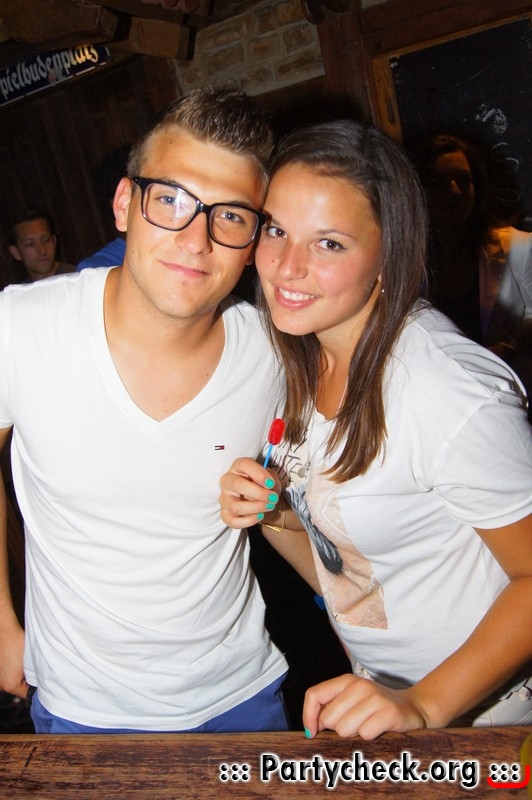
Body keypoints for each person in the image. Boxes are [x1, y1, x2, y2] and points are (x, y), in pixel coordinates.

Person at [219, 119, 532, 740]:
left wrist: (424, 704)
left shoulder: (445, 389)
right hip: (383, 699)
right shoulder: (299, 357)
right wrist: (273, 513)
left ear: (388, 254)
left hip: (488, 720)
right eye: (276, 229)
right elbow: (351, 569)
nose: (286, 266)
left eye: (329, 243)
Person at [0, 85, 289, 734]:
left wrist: (278, 501)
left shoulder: (273, 354)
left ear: (252, 241)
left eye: (230, 216)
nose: (196, 240)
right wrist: (1, 627)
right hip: (84, 710)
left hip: (243, 695)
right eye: (171, 201)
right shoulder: (19, 327)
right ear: (125, 204)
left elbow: (302, 504)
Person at [411, 134, 532, 411]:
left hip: (512, 399)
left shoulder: (518, 248)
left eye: (463, 180)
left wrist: (508, 347)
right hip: (444, 403)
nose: (454, 190)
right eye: (439, 182)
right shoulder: (409, 264)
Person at [8, 209, 75, 282]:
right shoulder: (23, 288)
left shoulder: (78, 278)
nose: (42, 251)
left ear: (54, 242)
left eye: (46, 240)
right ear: (16, 252)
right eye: (30, 244)